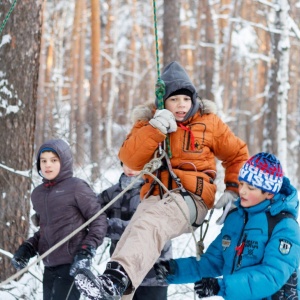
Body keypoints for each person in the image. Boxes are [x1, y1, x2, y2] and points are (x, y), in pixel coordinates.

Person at [74, 61, 249, 300]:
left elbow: (237, 154)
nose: (181, 105)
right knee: (132, 235)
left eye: (186, 99)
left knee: (150, 224)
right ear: (163, 101)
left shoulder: (209, 123)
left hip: (191, 199)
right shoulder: (148, 122)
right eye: (174, 99)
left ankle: (115, 279)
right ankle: (115, 287)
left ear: (193, 99)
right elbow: (130, 161)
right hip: (156, 197)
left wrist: (233, 189)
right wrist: (155, 129)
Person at [154, 152, 300, 299]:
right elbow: (213, 262)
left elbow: (271, 275)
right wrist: (174, 270)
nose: (242, 191)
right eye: (241, 183)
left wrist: (222, 286)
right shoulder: (236, 219)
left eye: (250, 187)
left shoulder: (284, 226)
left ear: (269, 193)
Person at [11, 139, 108, 300]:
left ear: (64, 161)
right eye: (44, 161)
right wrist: (28, 248)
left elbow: (99, 220)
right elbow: (46, 230)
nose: (48, 165)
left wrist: (86, 250)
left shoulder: (76, 187)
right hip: (49, 267)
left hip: (72, 265)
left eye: (54, 160)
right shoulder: (38, 194)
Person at [98, 162, 172, 300]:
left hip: (154, 273)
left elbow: (146, 228)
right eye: (126, 163)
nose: (130, 167)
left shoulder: (157, 191)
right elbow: (92, 214)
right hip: (123, 272)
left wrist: (109, 226)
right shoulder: (111, 194)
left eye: (135, 162)